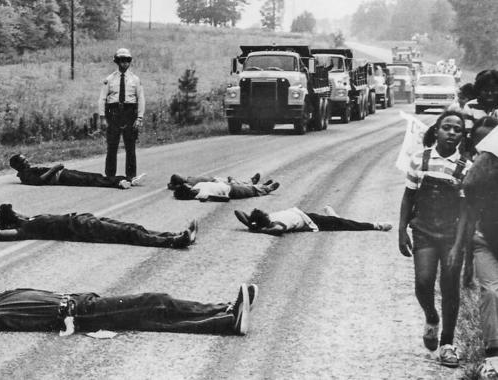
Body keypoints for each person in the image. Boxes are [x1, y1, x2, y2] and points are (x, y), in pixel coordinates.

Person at [398, 110, 472, 367]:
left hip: (452, 234)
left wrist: (459, 244)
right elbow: (408, 197)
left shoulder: (465, 167)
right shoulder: (420, 160)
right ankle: (431, 316)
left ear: (463, 136)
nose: (451, 132)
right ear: (436, 130)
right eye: (446, 127)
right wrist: (401, 231)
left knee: (450, 286)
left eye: (457, 129)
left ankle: (447, 344)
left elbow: (465, 210)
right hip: (424, 231)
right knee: (423, 280)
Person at [0, 281, 258, 336]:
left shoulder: (5, 296)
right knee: (153, 302)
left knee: (153, 321)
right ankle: (226, 309)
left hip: (84, 305)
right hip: (80, 312)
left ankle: (227, 321)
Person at [0, 203, 196, 249]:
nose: (18, 212)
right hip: (83, 229)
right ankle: (173, 241)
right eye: (13, 214)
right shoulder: (26, 229)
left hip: (84, 220)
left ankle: (176, 235)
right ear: (12, 221)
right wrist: (7, 228)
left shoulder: (30, 219)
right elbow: (1, 235)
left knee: (133, 227)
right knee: (129, 233)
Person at [463, 124, 498, 379]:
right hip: (487, 237)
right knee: (492, 291)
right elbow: (471, 188)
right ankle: (493, 355)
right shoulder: (487, 166)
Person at [98, 48, 145, 180]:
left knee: (130, 146)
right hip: (113, 114)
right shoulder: (110, 79)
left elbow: (140, 98)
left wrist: (139, 118)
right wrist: (102, 117)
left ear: (130, 62)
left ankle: (131, 175)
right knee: (112, 145)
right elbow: (102, 98)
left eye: (127, 61)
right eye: (121, 61)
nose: (124, 64)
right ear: (117, 62)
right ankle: (110, 176)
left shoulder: (135, 79)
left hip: (129, 113)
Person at [233, 205, 392, 236]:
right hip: (307, 218)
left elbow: (239, 213)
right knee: (343, 224)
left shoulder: (273, 222)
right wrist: (254, 226)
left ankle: (376, 225)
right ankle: (376, 225)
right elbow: (240, 213)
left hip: (308, 217)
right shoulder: (274, 221)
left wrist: (252, 226)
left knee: (342, 223)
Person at [9, 154, 146, 189]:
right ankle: (122, 182)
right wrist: (54, 168)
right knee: (90, 180)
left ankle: (125, 180)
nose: (27, 161)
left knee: (92, 177)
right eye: (24, 161)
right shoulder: (25, 176)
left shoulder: (26, 172)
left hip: (62, 174)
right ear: (19, 165)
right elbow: (39, 181)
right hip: (61, 176)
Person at [172, 180, 280, 202]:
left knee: (244, 185)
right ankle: (267, 189)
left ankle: (262, 186)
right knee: (251, 191)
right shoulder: (201, 195)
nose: (188, 186)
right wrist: (211, 198)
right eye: (186, 187)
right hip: (231, 191)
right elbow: (226, 199)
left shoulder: (198, 185)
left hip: (227, 185)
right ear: (186, 192)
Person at [167, 172, 265, 190]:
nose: (182, 177)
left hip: (215, 179)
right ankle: (253, 185)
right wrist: (171, 185)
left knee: (233, 180)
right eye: (180, 177)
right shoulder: (187, 184)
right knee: (233, 184)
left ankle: (251, 182)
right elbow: (174, 187)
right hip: (214, 183)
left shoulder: (188, 178)